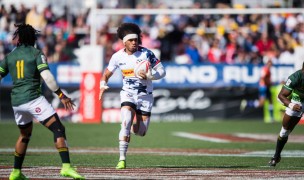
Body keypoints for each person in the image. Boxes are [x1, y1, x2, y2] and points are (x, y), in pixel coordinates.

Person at [0, 24, 84, 180]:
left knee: (24, 135)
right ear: (33, 38)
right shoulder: (36, 53)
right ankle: (66, 167)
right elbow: (47, 77)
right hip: (33, 99)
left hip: (16, 102)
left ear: (18, 38)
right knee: (58, 129)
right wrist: (61, 95)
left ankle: (16, 172)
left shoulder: (10, 56)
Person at [99, 23, 166, 169]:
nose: (134, 42)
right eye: (131, 40)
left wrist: (151, 75)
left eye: (136, 39)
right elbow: (107, 73)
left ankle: (134, 123)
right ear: (124, 42)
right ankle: (122, 159)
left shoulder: (146, 54)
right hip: (128, 94)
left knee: (141, 132)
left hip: (145, 96)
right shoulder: (117, 57)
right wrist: (102, 85)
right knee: (126, 121)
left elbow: (162, 71)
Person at [268, 62, 304, 167]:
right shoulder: (295, 77)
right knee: (285, 132)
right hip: (297, 101)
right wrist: (292, 105)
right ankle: (276, 156)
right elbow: (281, 96)